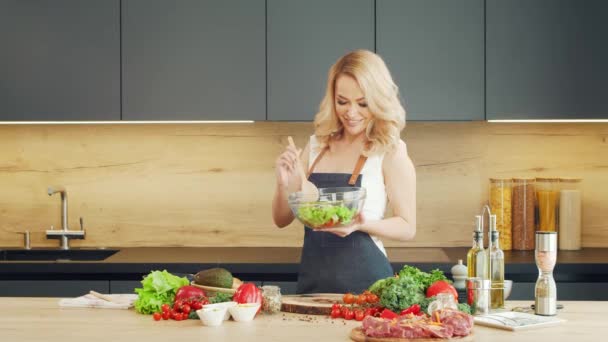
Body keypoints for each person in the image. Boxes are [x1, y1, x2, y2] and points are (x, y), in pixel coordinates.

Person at [272, 50, 416, 294]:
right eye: (342, 101)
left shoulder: (389, 150)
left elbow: (407, 227)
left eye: (362, 103)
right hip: (313, 288)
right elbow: (281, 219)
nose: (351, 112)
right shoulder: (317, 145)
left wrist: (361, 224)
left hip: (368, 288)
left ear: (378, 100)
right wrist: (283, 183)